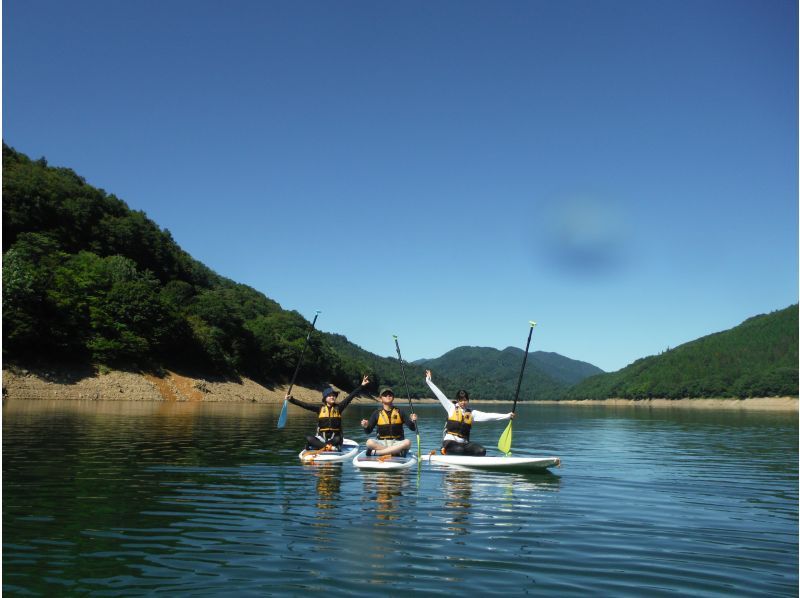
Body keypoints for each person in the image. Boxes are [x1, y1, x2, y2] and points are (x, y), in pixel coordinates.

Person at [425, 369, 513, 456]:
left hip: (464, 443)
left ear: (468, 400)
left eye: (465, 400)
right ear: (457, 400)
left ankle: (466, 456)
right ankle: (444, 450)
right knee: (459, 450)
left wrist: (507, 416)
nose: (463, 402)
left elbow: (488, 416)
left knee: (481, 451)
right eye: (461, 400)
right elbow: (440, 395)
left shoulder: (472, 413)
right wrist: (428, 381)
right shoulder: (450, 407)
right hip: (450, 442)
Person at [285, 375, 369, 450]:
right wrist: (292, 399)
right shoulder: (320, 408)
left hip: (334, 439)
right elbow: (305, 405)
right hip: (322, 438)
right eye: (330, 396)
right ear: (325, 398)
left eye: (334, 396)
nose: (332, 397)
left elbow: (351, 396)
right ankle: (328, 447)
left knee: (338, 439)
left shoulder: (339, 408)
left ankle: (320, 446)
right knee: (309, 438)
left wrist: (362, 386)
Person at [360, 387, 418, 457]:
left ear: (393, 398)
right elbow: (368, 431)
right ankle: (395, 452)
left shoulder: (400, 412)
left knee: (408, 442)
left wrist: (413, 421)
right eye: (385, 395)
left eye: (390, 395)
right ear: (381, 399)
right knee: (369, 442)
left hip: (397, 442)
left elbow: (413, 428)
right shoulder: (376, 413)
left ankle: (379, 453)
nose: (388, 396)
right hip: (382, 443)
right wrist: (365, 426)